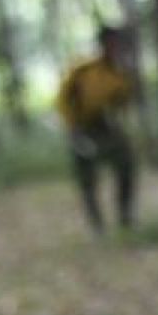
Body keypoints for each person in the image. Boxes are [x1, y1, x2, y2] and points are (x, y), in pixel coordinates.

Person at [57, 27, 136, 232]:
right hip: (81, 128)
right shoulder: (82, 70)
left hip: (107, 127)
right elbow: (63, 100)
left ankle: (125, 216)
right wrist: (72, 128)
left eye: (118, 44)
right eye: (111, 43)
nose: (115, 48)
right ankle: (96, 224)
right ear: (102, 45)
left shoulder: (121, 73)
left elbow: (123, 103)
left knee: (126, 164)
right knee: (87, 179)